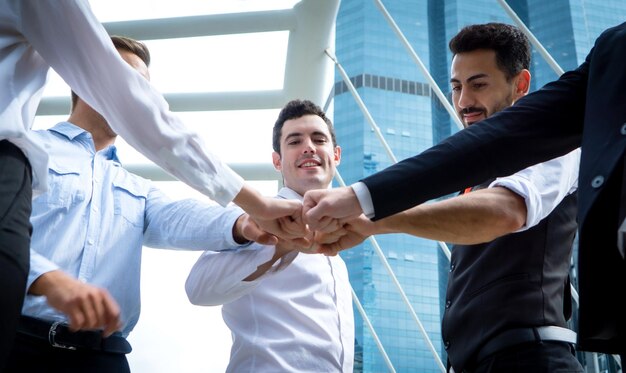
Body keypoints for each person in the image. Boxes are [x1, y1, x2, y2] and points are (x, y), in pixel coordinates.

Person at [0, 1, 305, 365]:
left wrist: (244, 222)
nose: (140, 97)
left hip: (104, 357)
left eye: (145, 88)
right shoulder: (25, 153)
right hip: (18, 341)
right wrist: (47, 280)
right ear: (83, 78)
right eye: (129, 82)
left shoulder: (137, 188)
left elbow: (179, 216)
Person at [304, 20, 626, 360]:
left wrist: (376, 219)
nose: (464, 101)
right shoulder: (475, 180)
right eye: (456, 87)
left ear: (521, 84)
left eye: (479, 84)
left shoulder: (556, 147)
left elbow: (505, 210)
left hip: (531, 361)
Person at [185, 99, 354, 372]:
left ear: (335, 155)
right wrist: (279, 247)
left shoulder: (337, 246)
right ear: (277, 161)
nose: (309, 147)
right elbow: (197, 288)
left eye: (318, 139)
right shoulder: (253, 223)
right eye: (294, 141)